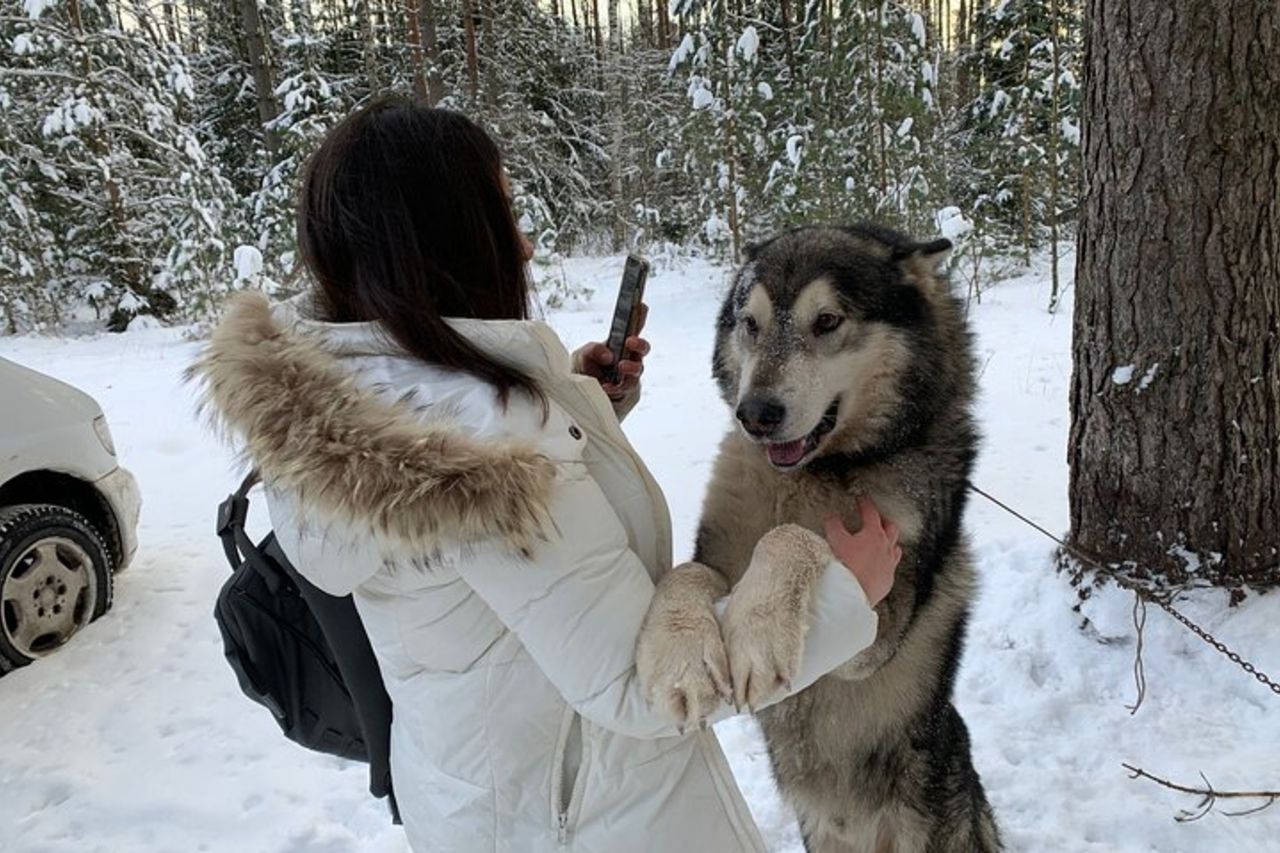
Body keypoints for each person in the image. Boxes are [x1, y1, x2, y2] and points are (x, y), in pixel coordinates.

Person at [191, 97, 901, 853]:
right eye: (505, 213)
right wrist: (841, 593)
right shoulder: (489, 456)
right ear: (446, 241)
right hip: (598, 823)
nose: (524, 246)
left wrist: (578, 400)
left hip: (474, 802)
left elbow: (478, 570)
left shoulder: (348, 399)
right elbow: (646, 684)